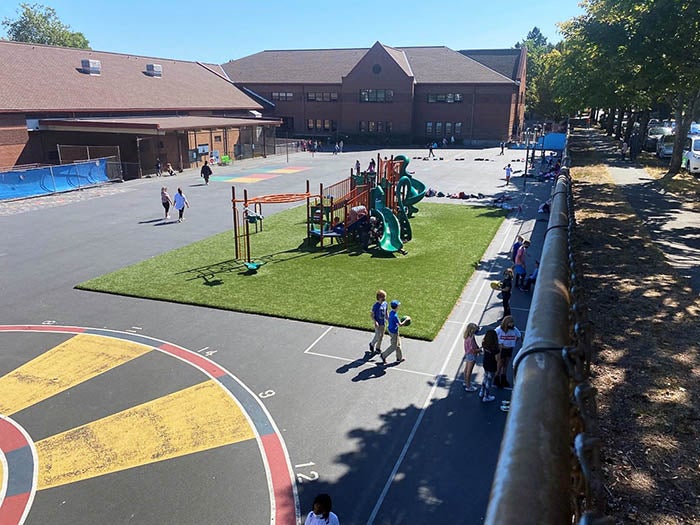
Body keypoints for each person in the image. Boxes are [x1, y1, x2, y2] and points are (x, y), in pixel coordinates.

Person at [494, 316, 522, 390]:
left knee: (506, 365)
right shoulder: (499, 330)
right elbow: (493, 335)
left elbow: (519, 335)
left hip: (509, 349)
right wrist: (498, 344)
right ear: (506, 323)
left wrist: (514, 343)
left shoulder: (514, 330)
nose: (512, 325)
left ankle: (503, 379)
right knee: (499, 364)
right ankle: (497, 379)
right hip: (501, 349)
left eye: (512, 323)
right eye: (510, 323)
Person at [379, 300, 409, 364]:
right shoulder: (395, 316)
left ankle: (399, 358)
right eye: (398, 306)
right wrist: (406, 320)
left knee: (398, 345)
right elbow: (400, 324)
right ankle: (383, 355)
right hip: (393, 332)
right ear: (396, 307)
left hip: (392, 330)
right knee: (393, 346)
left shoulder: (391, 312)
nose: (399, 306)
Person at [479, 329, 499, 402]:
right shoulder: (495, 348)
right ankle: (486, 396)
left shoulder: (484, 344)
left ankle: (481, 391)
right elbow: (497, 359)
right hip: (492, 365)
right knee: (489, 380)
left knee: (485, 377)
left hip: (485, 363)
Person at [369, 290, 388, 355]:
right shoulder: (375, 306)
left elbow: (386, 312)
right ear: (380, 297)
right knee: (377, 336)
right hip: (378, 324)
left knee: (381, 336)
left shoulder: (385, 304)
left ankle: (378, 348)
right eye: (384, 297)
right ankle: (372, 344)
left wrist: (388, 319)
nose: (385, 298)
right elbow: (372, 315)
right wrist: (375, 322)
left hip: (383, 323)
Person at [463, 323, 480, 392]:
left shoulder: (468, 337)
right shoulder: (470, 339)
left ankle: (465, 382)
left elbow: (474, 345)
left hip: (468, 354)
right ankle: (468, 386)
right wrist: (479, 350)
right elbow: (472, 350)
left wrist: (478, 347)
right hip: (471, 355)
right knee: (469, 371)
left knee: (466, 369)